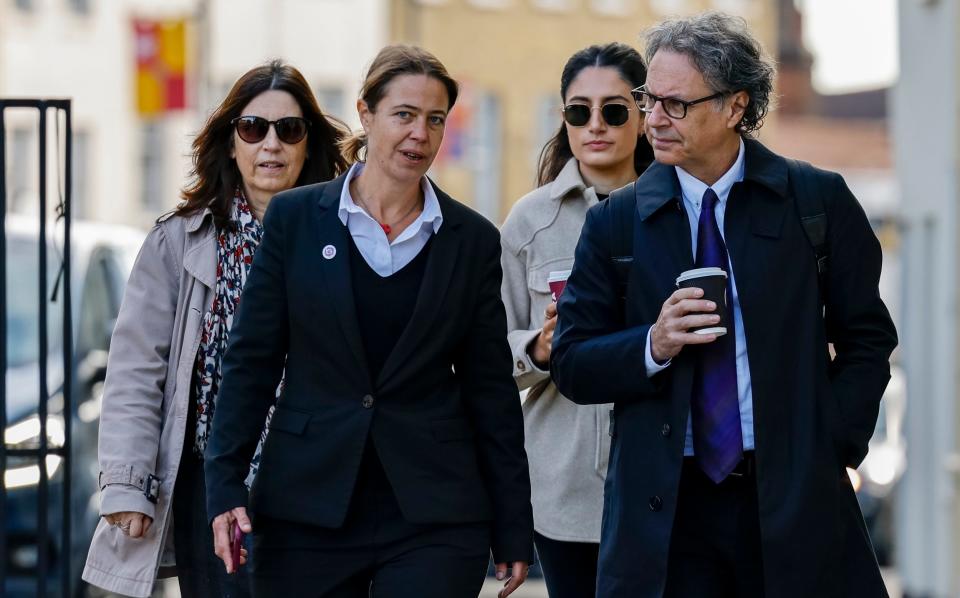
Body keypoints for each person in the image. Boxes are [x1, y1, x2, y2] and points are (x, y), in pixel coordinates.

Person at [551, 12, 898, 598]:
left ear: (736, 106)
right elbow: (572, 363)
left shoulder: (815, 201)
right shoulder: (616, 222)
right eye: (647, 99)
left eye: (675, 104)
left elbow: (868, 340)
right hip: (667, 513)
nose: (652, 119)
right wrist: (652, 344)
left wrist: (829, 443)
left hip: (790, 499)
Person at [203, 45, 534, 598]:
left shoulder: (472, 240)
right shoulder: (295, 220)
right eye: (404, 115)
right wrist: (225, 483)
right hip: (307, 505)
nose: (419, 135)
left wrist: (513, 526)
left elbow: (490, 391)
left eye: (434, 120)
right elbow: (252, 362)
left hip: (434, 513)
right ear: (366, 113)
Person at [82, 60, 348, 598]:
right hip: (215, 481)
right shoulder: (178, 243)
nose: (270, 144)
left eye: (288, 130)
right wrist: (127, 485)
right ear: (231, 143)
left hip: (323, 481)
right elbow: (137, 369)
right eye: (253, 128)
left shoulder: (345, 236)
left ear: (306, 144)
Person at [499, 42, 653, 598]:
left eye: (614, 111)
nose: (596, 126)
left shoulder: (681, 210)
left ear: (644, 113)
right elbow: (488, 358)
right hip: (565, 488)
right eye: (578, 111)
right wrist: (539, 348)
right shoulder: (530, 221)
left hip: (666, 475)